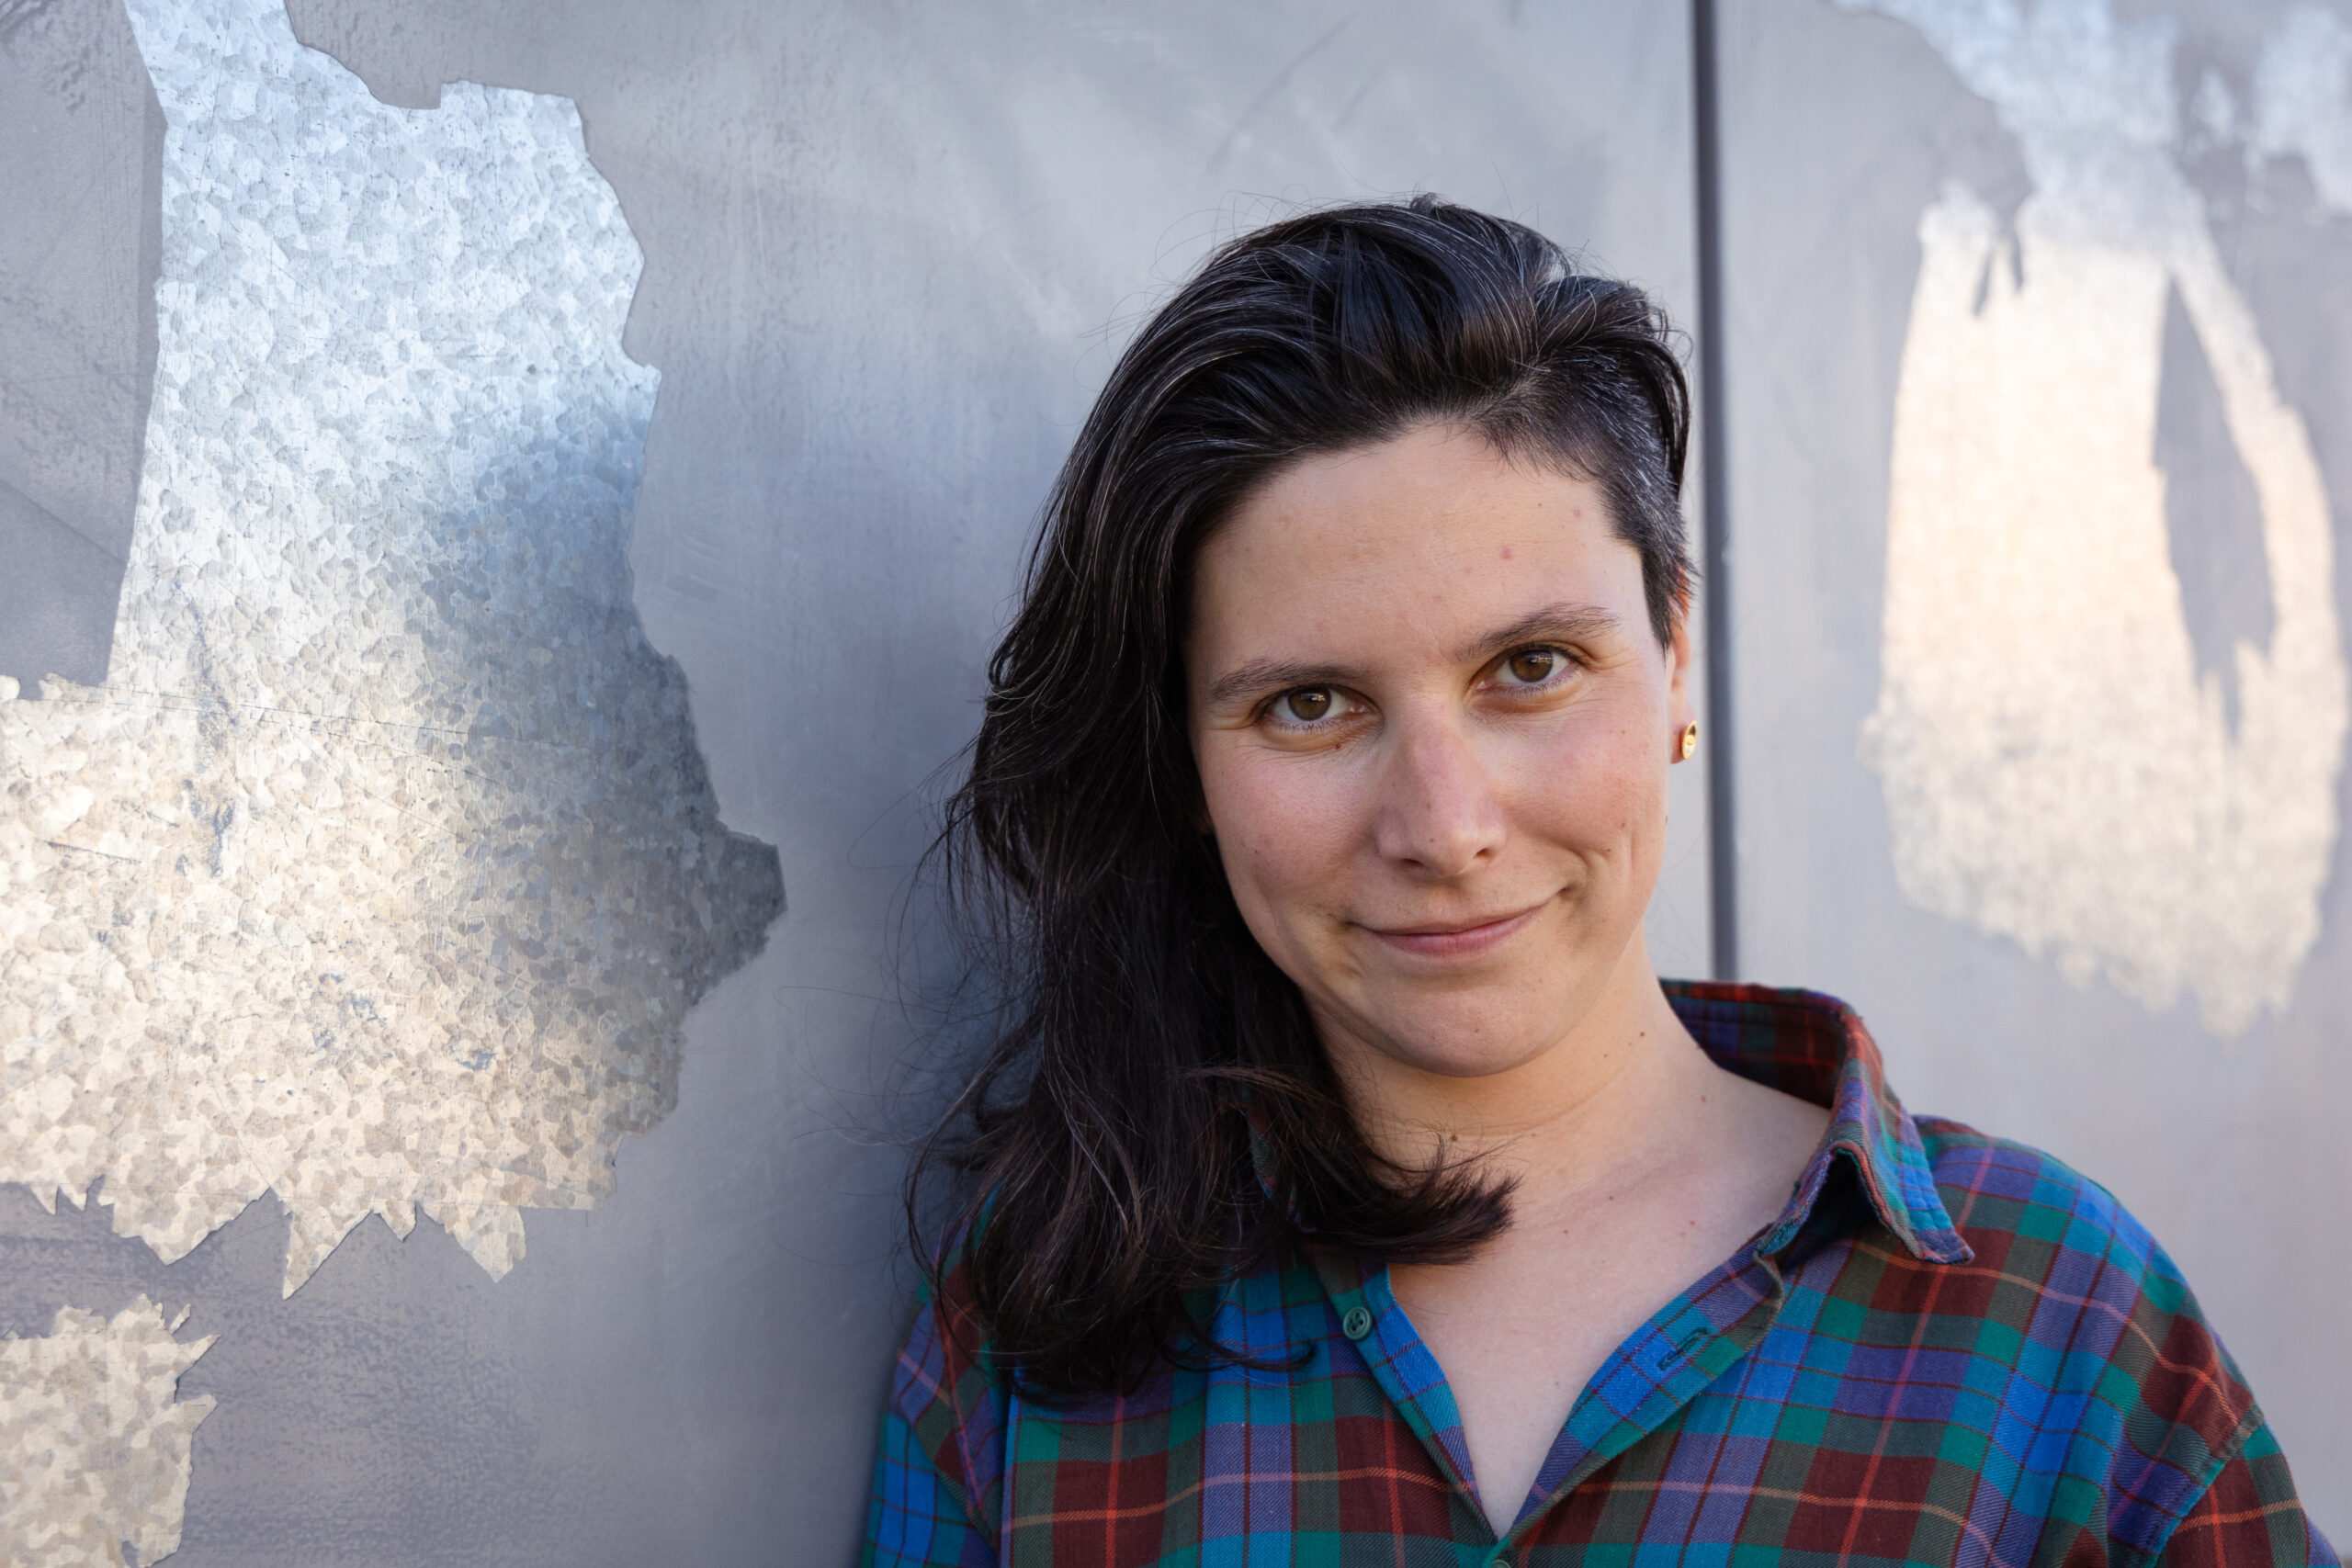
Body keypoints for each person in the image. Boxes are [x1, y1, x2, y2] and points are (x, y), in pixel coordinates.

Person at [864, 198, 2334, 1563]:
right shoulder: (1038, 1329)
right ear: (1186, 758)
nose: (1444, 827)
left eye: (1531, 668)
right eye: (1310, 704)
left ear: (1674, 653)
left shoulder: (2051, 1323)